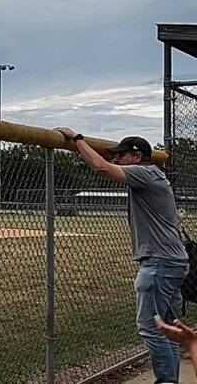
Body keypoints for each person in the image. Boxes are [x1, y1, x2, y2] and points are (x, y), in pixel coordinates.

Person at [55, 129, 188, 383]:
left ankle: (166, 381)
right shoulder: (154, 174)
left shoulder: (145, 173)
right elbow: (107, 162)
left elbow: (101, 167)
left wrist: (77, 138)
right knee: (167, 327)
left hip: (159, 263)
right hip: (171, 261)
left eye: (121, 155)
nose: (115, 159)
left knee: (152, 327)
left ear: (136, 157)